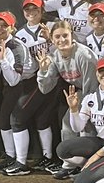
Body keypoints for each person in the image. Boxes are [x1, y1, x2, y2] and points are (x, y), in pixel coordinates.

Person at [35, 19, 99, 173]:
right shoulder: (54, 56)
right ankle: (70, 164)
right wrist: (43, 71)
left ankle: (88, 166)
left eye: (65, 36)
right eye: (57, 37)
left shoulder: (83, 55)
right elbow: (45, 88)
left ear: (72, 36)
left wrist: (82, 111)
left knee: (85, 125)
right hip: (82, 91)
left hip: (99, 91)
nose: (62, 40)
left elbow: (92, 87)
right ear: (52, 39)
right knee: (68, 123)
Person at [9, 0, 61, 171]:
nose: (31, 13)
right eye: (28, 10)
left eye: (35, 9)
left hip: (51, 77)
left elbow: (64, 51)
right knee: (42, 119)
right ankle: (47, 158)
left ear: (42, 11)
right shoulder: (20, 34)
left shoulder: (53, 27)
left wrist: (50, 40)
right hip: (32, 78)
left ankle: (21, 162)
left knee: (18, 118)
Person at [0, 11, 34, 175]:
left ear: (12, 28)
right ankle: (10, 156)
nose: (0, 28)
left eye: (4, 25)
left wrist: (2, 59)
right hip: (12, 84)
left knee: (16, 119)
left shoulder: (16, 46)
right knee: (3, 118)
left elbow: (15, 79)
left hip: (29, 84)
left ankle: (21, 163)